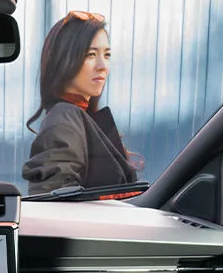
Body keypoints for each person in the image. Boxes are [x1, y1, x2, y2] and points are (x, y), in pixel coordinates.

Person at [21, 11, 137, 194]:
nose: (103, 66)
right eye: (91, 55)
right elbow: (55, 205)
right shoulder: (64, 119)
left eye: (107, 55)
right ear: (64, 60)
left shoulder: (79, 118)